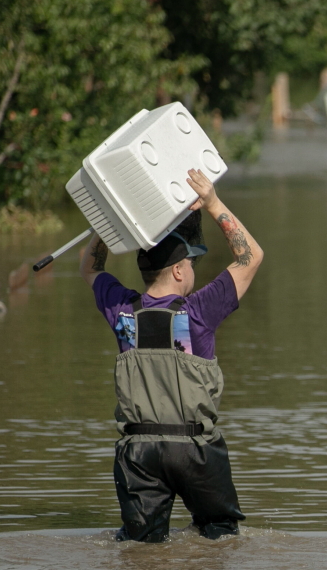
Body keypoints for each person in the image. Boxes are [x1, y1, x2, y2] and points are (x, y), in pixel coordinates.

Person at [80, 168, 265, 542]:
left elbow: (90, 266)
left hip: (139, 453)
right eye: (191, 264)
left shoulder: (122, 310)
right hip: (195, 450)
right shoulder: (198, 312)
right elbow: (251, 257)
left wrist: (108, 219)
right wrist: (212, 203)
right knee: (220, 539)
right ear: (179, 270)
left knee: (141, 548)